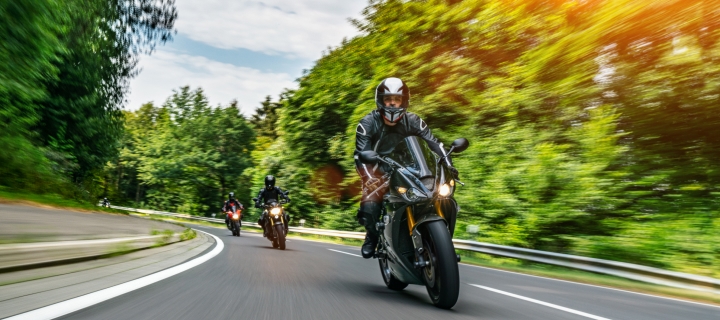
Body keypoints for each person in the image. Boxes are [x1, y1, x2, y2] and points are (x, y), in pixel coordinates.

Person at [354, 77, 459, 258]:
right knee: (370, 207)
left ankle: (443, 246)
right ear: (381, 100)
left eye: (397, 99)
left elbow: (433, 143)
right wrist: (368, 177)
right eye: (388, 99)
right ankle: (372, 235)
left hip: (412, 169)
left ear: (404, 101)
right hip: (380, 172)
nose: (393, 103)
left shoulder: (414, 121)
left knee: (443, 194)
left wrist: (449, 164)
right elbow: (360, 154)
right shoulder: (367, 123)